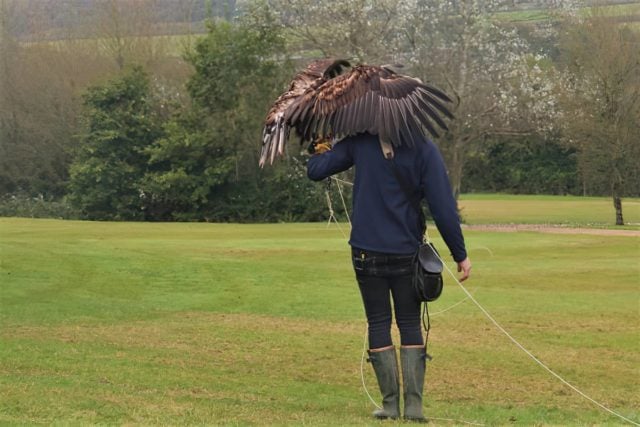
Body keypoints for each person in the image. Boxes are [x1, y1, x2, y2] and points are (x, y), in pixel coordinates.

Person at [306, 132, 471, 422]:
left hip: (366, 252)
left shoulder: (360, 141)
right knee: (409, 323)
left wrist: (321, 144)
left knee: (378, 322)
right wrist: (460, 254)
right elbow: (443, 206)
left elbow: (316, 171)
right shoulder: (423, 147)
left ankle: (390, 405)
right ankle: (414, 408)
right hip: (406, 251)